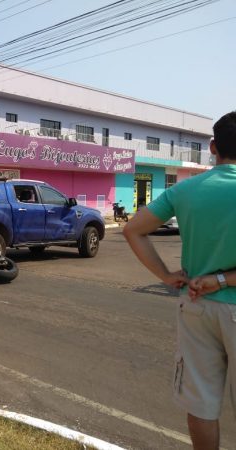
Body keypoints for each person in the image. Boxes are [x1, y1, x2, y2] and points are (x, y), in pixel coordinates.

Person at [123, 111, 236, 450]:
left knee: (201, 404)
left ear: (213, 147)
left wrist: (166, 276)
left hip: (196, 306)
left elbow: (133, 230)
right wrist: (223, 280)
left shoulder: (185, 189)